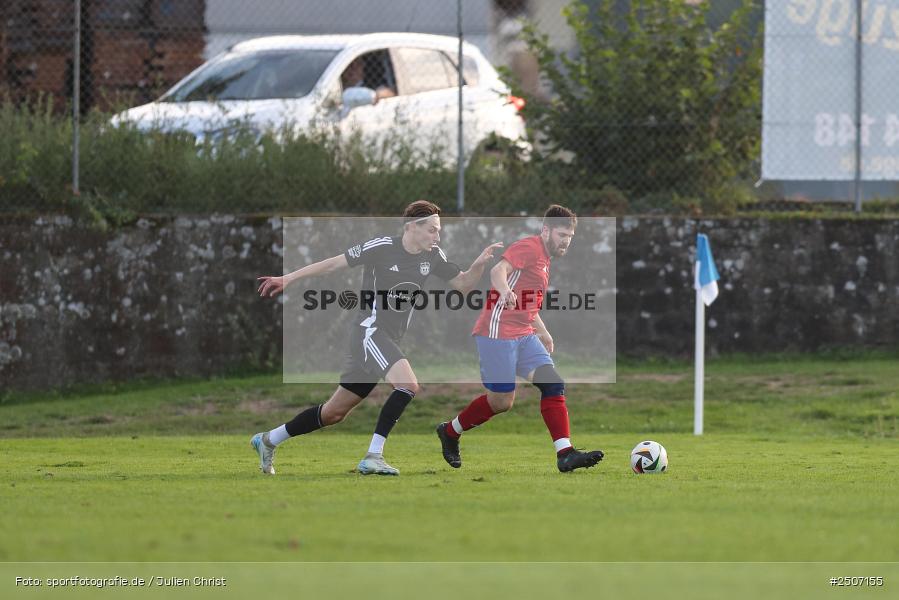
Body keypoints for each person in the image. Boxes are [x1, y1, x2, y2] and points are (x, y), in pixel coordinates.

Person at [253, 200, 501, 476]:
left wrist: (478, 265)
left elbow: (464, 285)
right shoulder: (382, 247)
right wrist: (289, 278)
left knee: (333, 413)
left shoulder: (432, 256)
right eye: (432, 230)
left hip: (387, 339)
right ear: (412, 227)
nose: (437, 236)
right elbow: (334, 263)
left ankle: (268, 440)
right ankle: (373, 456)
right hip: (369, 331)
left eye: (438, 230)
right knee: (408, 385)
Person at [436, 205, 604, 473]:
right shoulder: (529, 247)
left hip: (524, 334)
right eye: (561, 235)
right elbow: (498, 272)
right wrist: (503, 290)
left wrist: (542, 330)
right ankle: (450, 431)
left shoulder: (545, 260)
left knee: (553, 384)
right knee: (501, 402)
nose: (565, 241)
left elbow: (527, 303)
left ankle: (565, 453)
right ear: (546, 230)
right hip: (497, 332)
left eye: (569, 237)